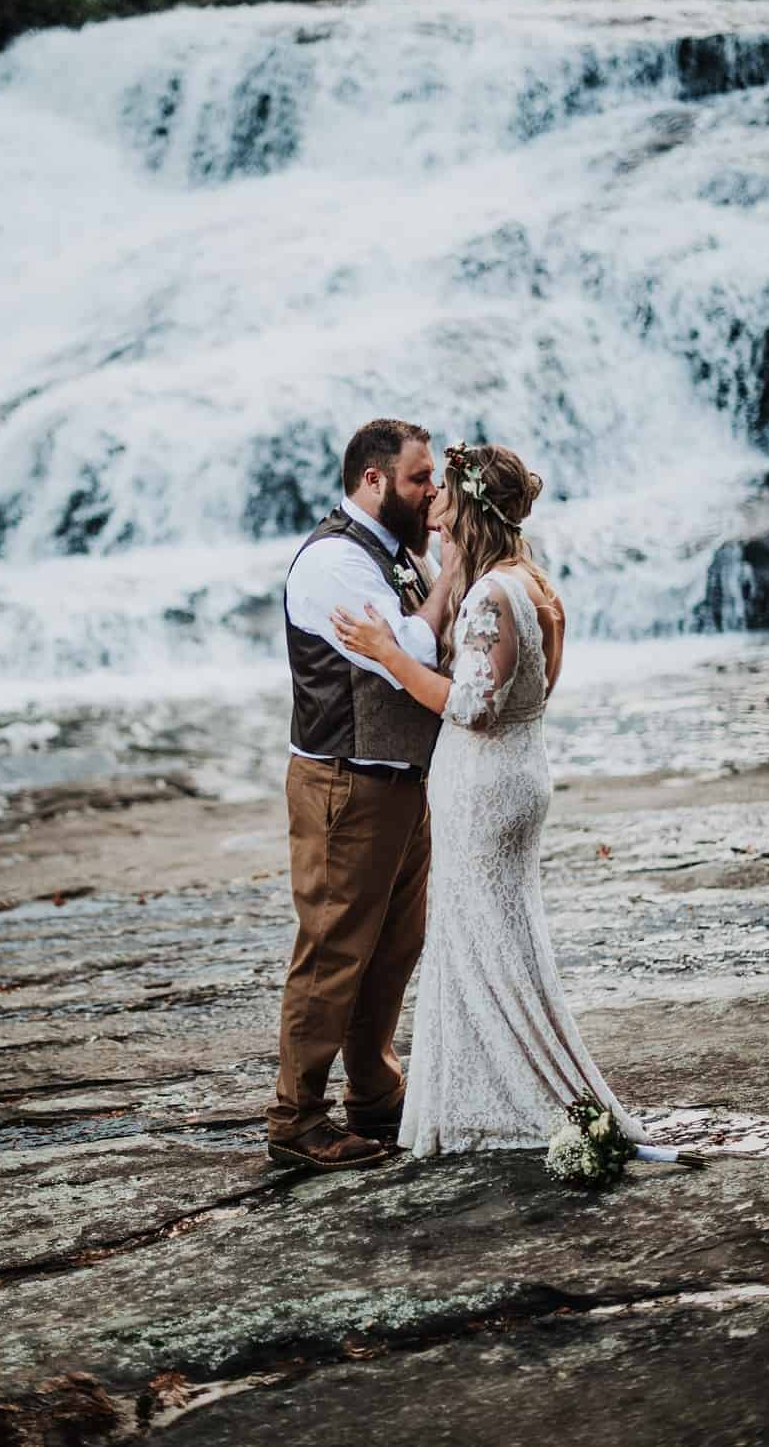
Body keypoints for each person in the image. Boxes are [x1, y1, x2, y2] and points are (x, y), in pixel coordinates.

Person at [331, 441, 650, 1156]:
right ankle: (505, 1096)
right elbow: (533, 689)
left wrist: (389, 653)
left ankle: (526, 1101)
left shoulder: (491, 594)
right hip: (516, 773)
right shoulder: (530, 581)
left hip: (484, 787)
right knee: (494, 941)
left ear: (469, 504)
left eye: (443, 495)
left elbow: (471, 704)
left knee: (483, 945)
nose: (433, 509)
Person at [266, 418, 459, 1171]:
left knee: (392, 950)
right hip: (345, 784)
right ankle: (297, 1119)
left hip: (397, 783)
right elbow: (405, 653)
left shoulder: (392, 554)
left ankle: (374, 1095)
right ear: (372, 481)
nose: (431, 491)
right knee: (334, 952)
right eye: (419, 479)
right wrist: (447, 577)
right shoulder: (334, 563)